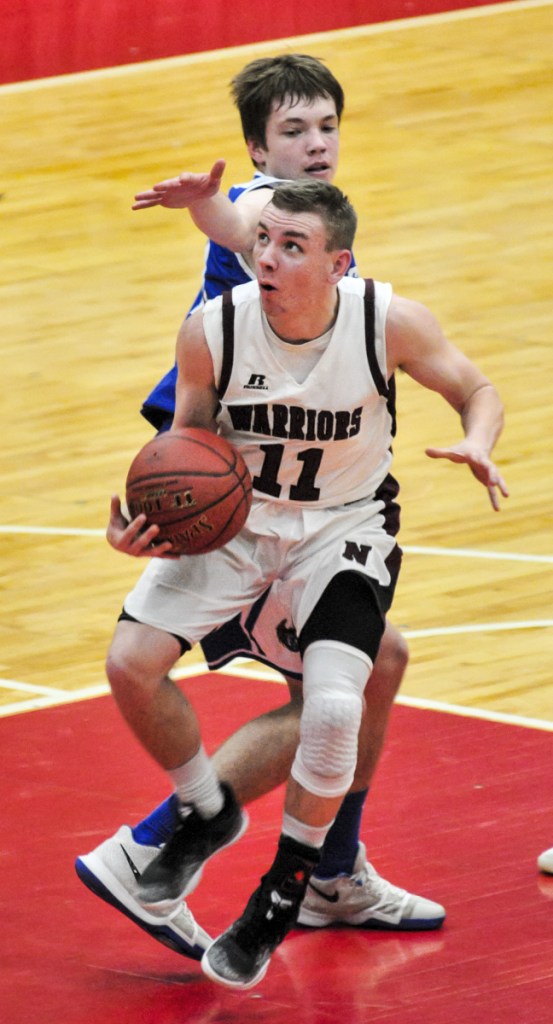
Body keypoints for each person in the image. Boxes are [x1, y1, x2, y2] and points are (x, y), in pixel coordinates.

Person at [77, 55, 445, 961]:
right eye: (292, 131)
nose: (314, 144)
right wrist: (203, 203)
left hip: (267, 488)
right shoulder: (258, 216)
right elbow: (232, 217)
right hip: (243, 498)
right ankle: (167, 843)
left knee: (371, 665)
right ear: (256, 151)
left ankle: (322, 869)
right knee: (353, 679)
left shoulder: (313, 233)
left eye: (325, 127)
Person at [103, 179, 508, 990]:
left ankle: (284, 888)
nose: (270, 257)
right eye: (264, 242)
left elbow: (475, 387)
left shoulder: (385, 320)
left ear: (337, 263)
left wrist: (477, 441)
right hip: (243, 524)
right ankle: (207, 809)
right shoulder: (211, 330)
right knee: (130, 661)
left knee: (332, 704)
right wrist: (151, 518)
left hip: (343, 530)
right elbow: (188, 438)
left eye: (293, 246)